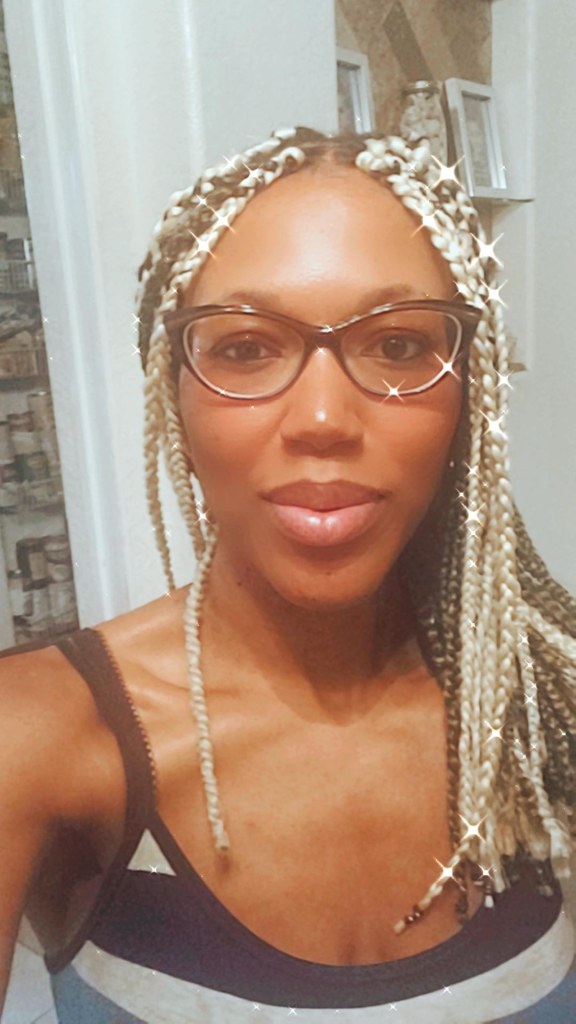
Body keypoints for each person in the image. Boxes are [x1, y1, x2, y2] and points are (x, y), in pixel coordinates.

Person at [1, 127, 575, 1023]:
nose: (322, 418)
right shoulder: (41, 739)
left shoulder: (545, 709)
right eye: (244, 347)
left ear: (471, 394)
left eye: (398, 345)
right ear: (173, 395)